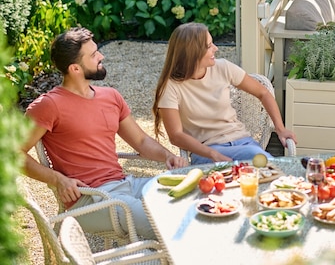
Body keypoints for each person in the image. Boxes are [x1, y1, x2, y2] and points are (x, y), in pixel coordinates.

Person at [22, 27, 188, 239]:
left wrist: (168, 156)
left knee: (188, 201)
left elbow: (141, 140)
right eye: (93, 55)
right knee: (163, 224)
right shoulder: (49, 105)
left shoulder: (111, 97)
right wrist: (58, 179)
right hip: (89, 199)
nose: (101, 56)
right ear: (75, 69)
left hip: (126, 185)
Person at [153, 22, 297, 165]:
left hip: (243, 142)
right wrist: (212, 154)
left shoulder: (223, 68)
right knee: (261, 161)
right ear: (193, 54)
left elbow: (263, 93)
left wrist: (280, 129)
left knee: (257, 164)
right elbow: (176, 136)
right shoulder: (170, 87)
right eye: (209, 46)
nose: (215, 48)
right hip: (206, 151)